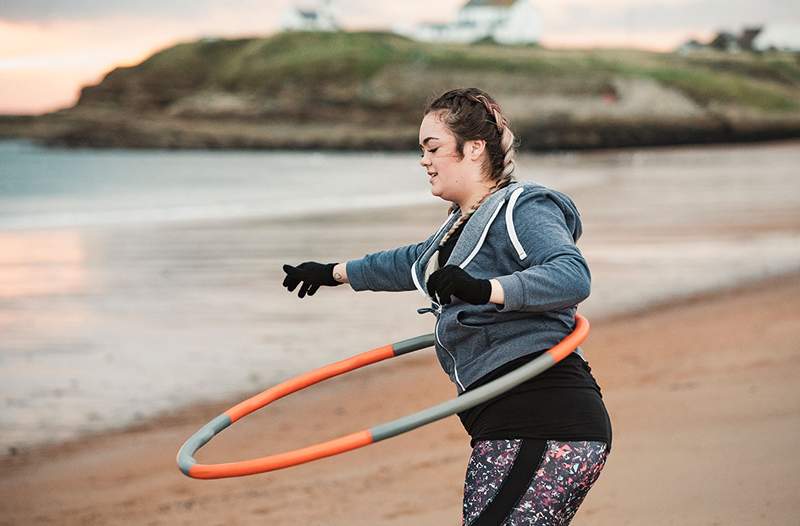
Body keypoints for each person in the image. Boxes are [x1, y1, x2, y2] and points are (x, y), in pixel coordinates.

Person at [282, 87, 612, 525]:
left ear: (474, 149)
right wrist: (333, 272)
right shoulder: (457, 227)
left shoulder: (522, 206)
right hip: (499, 425)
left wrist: (484, 290)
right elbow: (408, 263)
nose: (424, 160)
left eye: (432, 147)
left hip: (547, 419)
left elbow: (571, 276)